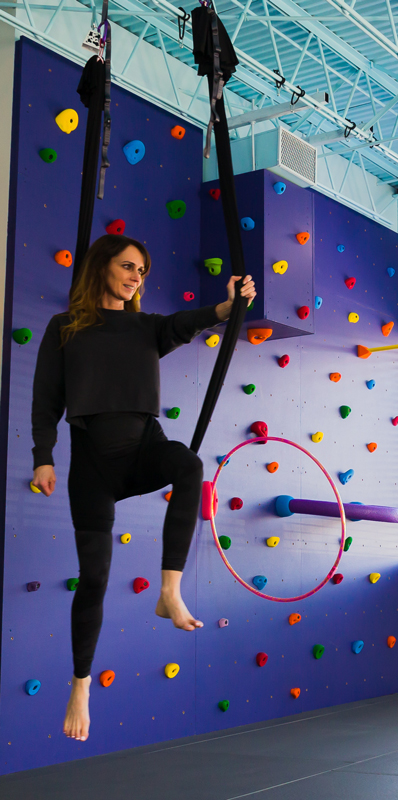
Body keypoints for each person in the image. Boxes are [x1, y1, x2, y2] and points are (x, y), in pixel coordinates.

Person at [30, 233, 256, 742]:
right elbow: (45, 399)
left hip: (142, 449)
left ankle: (168, 592)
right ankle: (81, 684)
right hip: (91, 465)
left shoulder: (145, 328)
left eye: (144, 271)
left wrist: (229, 303)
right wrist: (42, 458)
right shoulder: (65, 328)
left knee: (190, 466)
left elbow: (188, 321)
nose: (137, 276)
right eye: (130, 266)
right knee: (94, 580)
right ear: (102, 266)